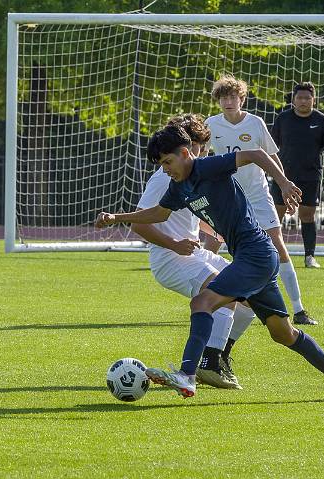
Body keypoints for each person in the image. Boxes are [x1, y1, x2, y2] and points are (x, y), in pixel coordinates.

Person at [95, 125, 324, 401]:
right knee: (283, 333)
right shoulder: (178, 186)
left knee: (202, 303)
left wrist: (283, 182)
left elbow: (256, 153)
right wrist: (117, 217)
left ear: (185, 153)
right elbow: (159, 214)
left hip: (254, 254)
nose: (166, 169)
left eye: (168, 162)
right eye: (161, 165)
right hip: (253, 257)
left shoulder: (208, 167)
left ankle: (188, 375)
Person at [132, 114, 255, 390]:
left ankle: (219, 357)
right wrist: (174, 244)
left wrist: (212, 229)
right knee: (223, 292)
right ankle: (207, 364)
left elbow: (189, 210)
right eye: (202, 148)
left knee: (251, 296)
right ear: (188, 148)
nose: (205, 154)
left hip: (193, 255)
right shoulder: (163, 179)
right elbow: (138, 223)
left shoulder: (190, 177)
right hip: (170, 260)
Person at [205, 75, 317, 326]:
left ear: (242, 99)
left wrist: (284, 184)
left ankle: (298, 309)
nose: (229, 102)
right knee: (211, 244)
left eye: (233, 97)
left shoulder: (255, 123)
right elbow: (199, 155)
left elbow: (271, 157)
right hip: (226, 197)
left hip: (256, 195)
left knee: (277, 244)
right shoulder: (211, 124)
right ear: (218, 101)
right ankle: (206, 303)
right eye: (224, 98)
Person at [270, 82, 324, 269]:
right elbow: (271, 147)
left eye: (307, 98)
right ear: (293, 99)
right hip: (283, 176)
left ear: (313, 100)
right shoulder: (283, 119)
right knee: (276, 217)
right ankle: (270, 255)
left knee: (307, 216)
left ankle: (310, 257)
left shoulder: (322, 120)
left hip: (310, 176)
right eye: (299, 97)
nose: (303, 101)